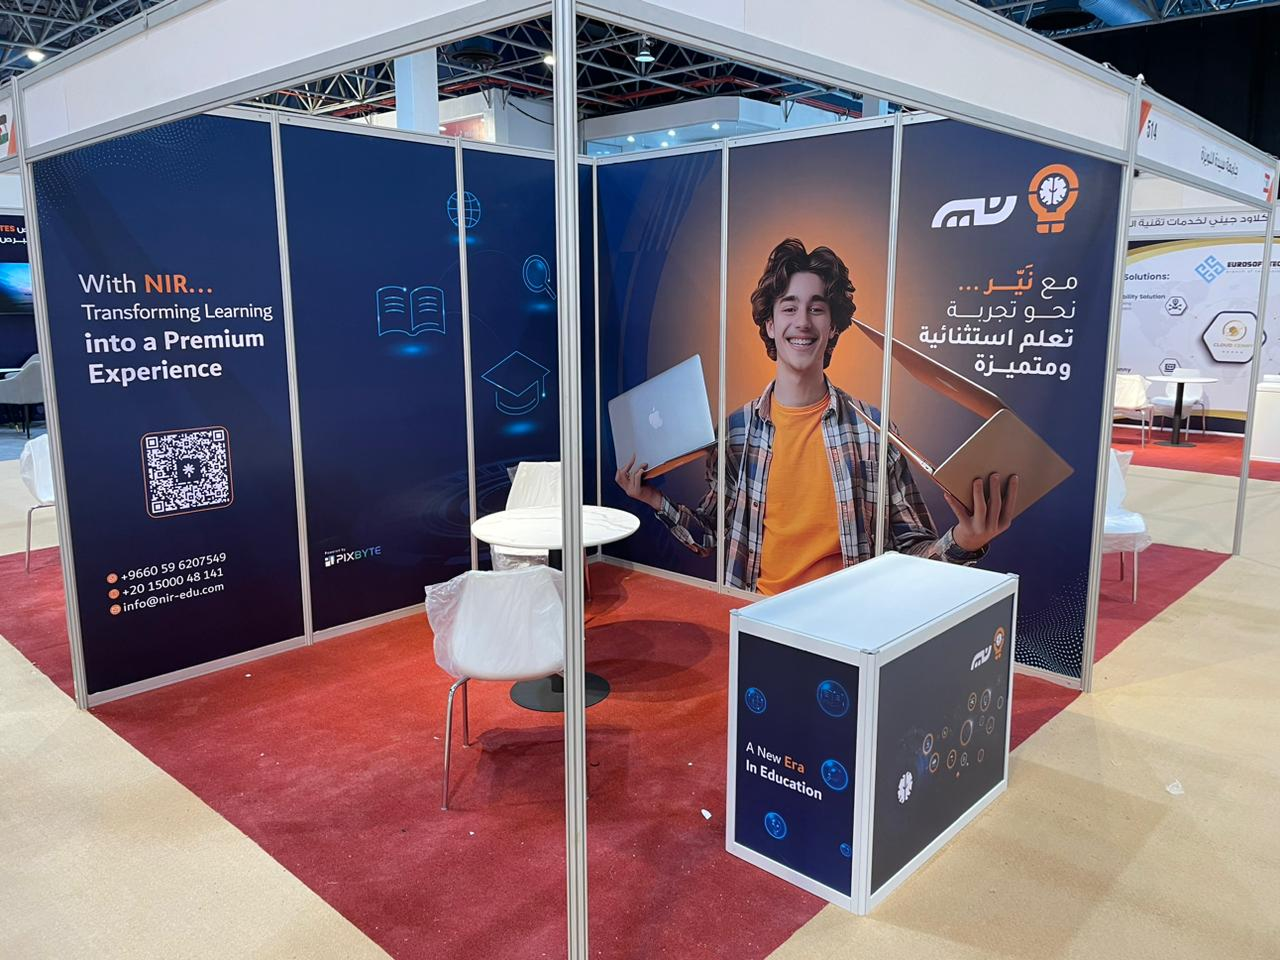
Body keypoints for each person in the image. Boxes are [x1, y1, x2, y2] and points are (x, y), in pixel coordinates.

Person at [616, 237, 1018, 595]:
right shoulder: (735, 433)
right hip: (757, 617)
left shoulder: (874, 433)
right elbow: (711, 536)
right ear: (770, 325)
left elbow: (912, 556)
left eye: (817, 309)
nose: (803, 322)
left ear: (834, 326)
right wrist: (652, 498)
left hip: (845, 626)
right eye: (789, 307)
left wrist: (964, 540)